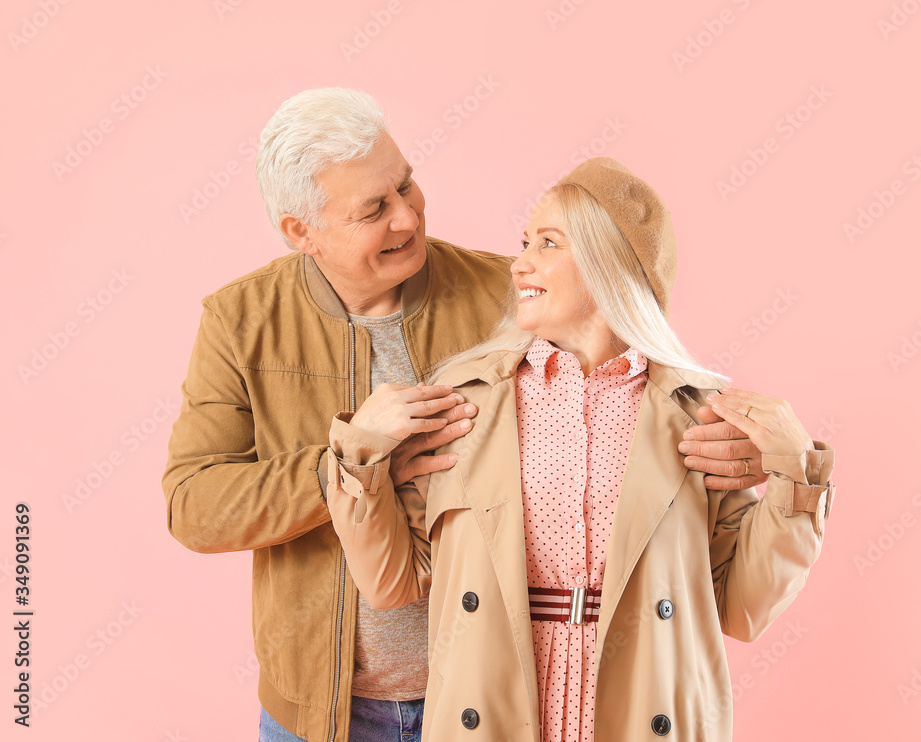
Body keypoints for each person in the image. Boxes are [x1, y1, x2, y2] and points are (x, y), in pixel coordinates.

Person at [162, 89, 769, 742]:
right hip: (321, 712)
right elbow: (193, 505)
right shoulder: (240, 321)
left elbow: (625, 396)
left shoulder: (504, 293)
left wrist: (736, 456)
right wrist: (352, 467)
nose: (407, 217)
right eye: (374, 210)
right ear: (301, 231)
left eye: (405, 186)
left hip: (500, 702)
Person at [327, 157, 837, 741]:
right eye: (525, 242)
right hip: (494, 718)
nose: (519, 264)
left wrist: (797, 474)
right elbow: (393, 581)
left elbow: (744, 607)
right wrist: (359, 453)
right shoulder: (468, 401)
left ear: (607, 263)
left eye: (548, 243)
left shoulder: (697, 412)